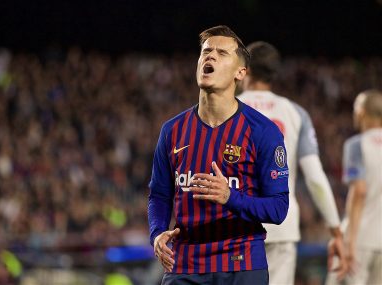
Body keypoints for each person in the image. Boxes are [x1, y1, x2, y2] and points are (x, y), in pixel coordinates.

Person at [148, 26, 289, 284]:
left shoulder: (263, 132)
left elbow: (278, 208)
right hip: (184, 264)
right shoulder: (172, 130)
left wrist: (230, 197)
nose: (210, 56)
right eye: (206, 51)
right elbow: (159, 194)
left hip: (242, 262)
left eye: (221, 52)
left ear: (241, 72)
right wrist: (157, 232)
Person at [237, 41, 347, 285]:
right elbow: (315, 178)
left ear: (245, 69)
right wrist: (335, 229)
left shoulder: (227, 110)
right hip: (281, 224)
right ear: (273, 74)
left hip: (236, 225)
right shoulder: (294, 112)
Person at [326, 89, 382, 285]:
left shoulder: (357, 145)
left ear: (361, 112)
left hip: (361, 239)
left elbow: (359, 191)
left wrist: (349, 242)